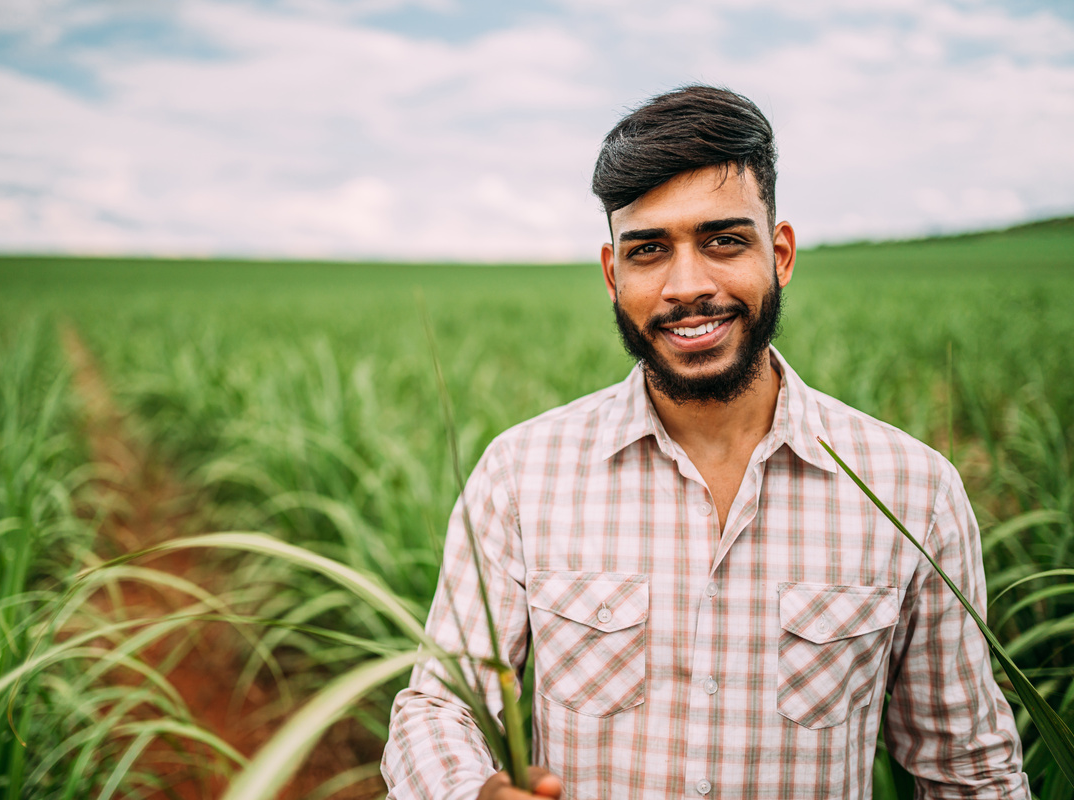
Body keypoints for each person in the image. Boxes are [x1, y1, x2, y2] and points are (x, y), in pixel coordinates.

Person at [381, 85, 1028, 799]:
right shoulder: (522, 473)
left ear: (779, 254)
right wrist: (468, 792)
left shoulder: (913, 490)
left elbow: (969, 770)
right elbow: (437, 707)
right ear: (612, 274)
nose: (687, 286)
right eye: (650, 250)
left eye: (723, 241)